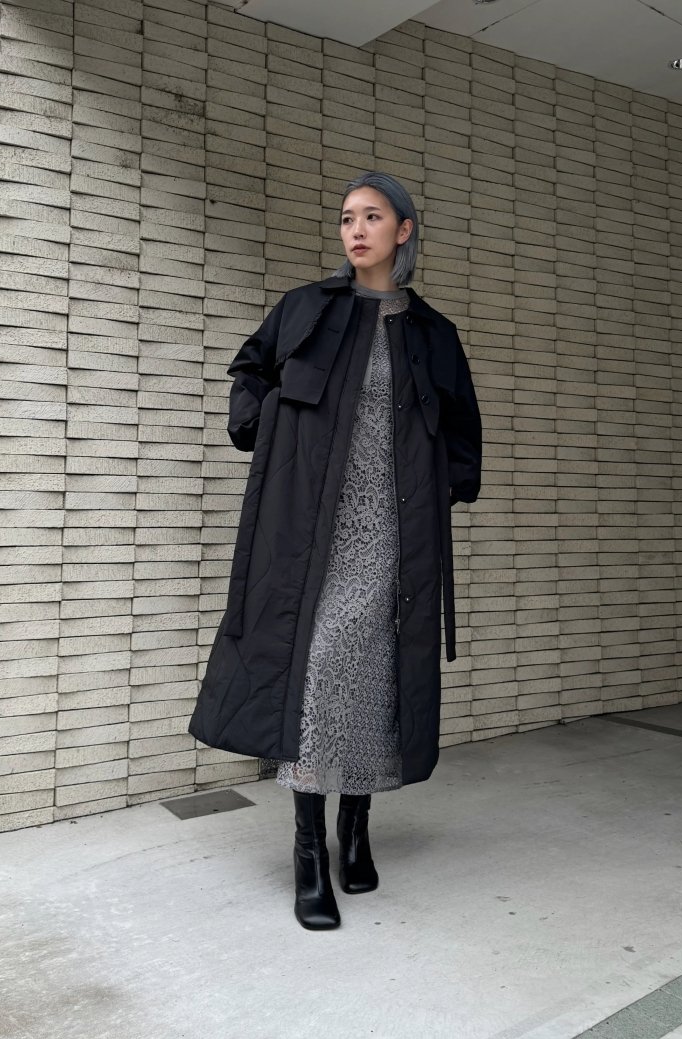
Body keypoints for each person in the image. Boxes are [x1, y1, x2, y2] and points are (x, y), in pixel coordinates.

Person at [189, 171, 482, 931]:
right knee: (316, 676)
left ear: (403, 231)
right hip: (308, 532)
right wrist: (264, 427)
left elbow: (460, 426)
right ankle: (308, 853)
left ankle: (356, 830)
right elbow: (249, 371)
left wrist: (443, 490)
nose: (356, 230)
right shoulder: (304, 308)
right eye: (348, 218)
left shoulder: (433, 332)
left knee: (376, 682)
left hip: (395, 535)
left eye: (372, 218)